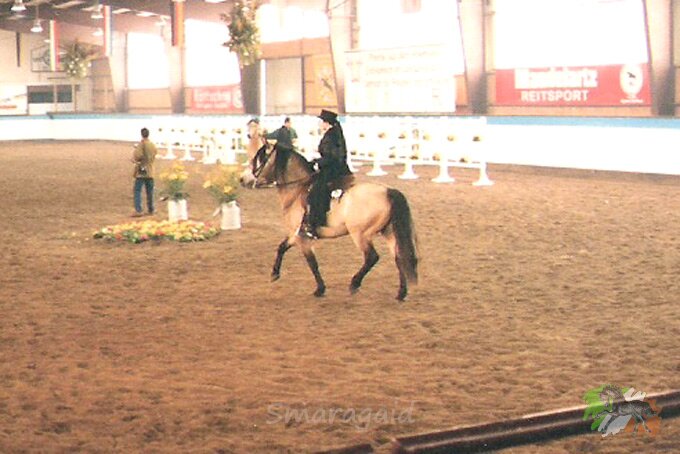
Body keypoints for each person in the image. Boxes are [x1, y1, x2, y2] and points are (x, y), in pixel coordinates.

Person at [300, 109, 352, 239]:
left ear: (326, 123)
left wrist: (318, 163)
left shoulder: (332, 135)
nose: (320, 124)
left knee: (316, 191)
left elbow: (333, 157)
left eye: (321, 121)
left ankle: (317, 223)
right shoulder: (332, 133)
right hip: (331, 167)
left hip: (334, 169)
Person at [131, 127, 157, 217]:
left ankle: (138, 210)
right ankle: (151, 209)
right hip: (150, 170)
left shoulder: (141, 144)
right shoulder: (152, 145)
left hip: (142, 169)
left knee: (137, 190)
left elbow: (138, 155)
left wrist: (135, 159)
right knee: (150, 191)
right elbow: (154, 154)